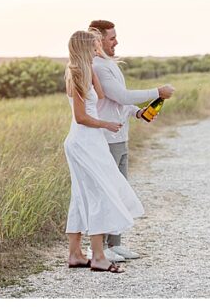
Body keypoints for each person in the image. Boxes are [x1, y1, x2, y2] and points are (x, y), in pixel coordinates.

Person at [89, 20, 174, 263]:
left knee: (119, 191)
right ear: (98, 40)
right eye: (111, 38)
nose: (116, 42)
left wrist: (137, 112)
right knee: (107, 193)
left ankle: (115, 244)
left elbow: (121, 102)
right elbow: (121, 95)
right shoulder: (97, 66)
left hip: (119, 137)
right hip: (105, 139)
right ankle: (101, 247)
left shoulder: (108, 64)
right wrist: (157, 91)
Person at [63, 29, 144, 273]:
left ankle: (75, 254)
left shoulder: (85, 70)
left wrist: (97, 62)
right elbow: (81, 117)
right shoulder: (76, 73)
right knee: (99, 193)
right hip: (84, 140)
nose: (98, 49)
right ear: (84, 47)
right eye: (94, 45)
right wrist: (106, 124)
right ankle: (98, 256)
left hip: (90, 140)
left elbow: (98, 96)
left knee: (81, 196)